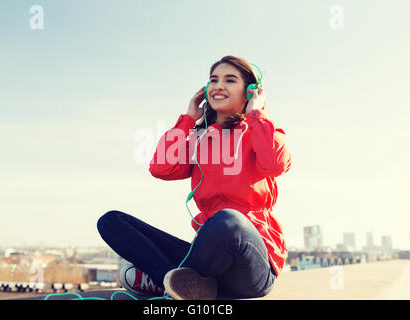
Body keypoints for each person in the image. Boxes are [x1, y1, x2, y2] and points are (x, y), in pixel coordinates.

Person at [97, 55, 292, 300]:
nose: (218, 86)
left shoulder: (259, 131)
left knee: (228, 220)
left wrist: (256, 114)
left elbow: (276, 163)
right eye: (214, 80)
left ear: (250, 92)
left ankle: (168, 281)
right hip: (207, 260)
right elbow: (161, 168)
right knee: (111, 221)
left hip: (250, 264)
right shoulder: (199, 138)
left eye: (230, 80)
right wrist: (188, 118)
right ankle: (172, 281)